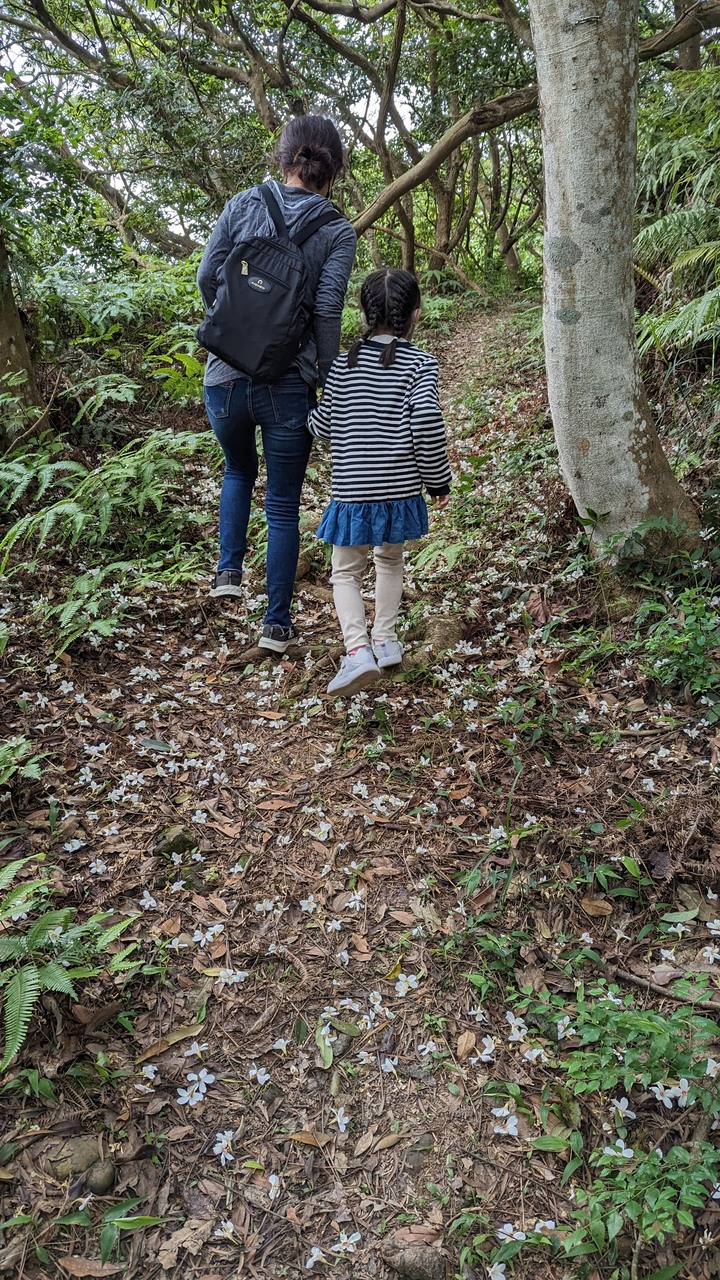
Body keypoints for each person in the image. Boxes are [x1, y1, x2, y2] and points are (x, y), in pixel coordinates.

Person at [198, 115, 357, 653]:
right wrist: (329, 381)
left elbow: (207, 275)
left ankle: (226, 572)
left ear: (283, 159)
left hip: (223, 378)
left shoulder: (243, 204)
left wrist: (236, 332)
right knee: (284, 503)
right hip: (287, 385)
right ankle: (275, 626)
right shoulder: (336, 230)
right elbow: (328, 312)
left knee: (238, 469)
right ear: (331, 171)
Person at [307, 268, 451, 697]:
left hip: (352, 490)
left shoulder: (344, 364)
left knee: (345, 573)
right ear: (415, 315)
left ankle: (357, 652)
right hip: (399, 488)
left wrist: (307, 415)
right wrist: (437, 480)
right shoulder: (420, 362)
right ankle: (386, 639)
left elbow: (323, 424)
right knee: (390, 561)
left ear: (363, 313)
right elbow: (425, 417)